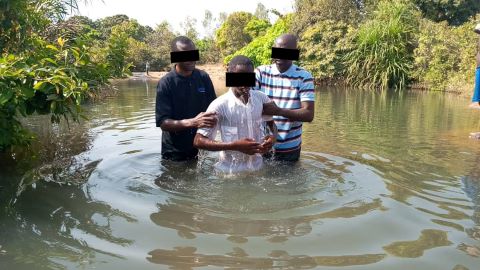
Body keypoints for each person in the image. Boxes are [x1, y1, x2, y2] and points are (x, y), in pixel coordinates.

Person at [193, 55, 277, 173]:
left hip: (258, 170)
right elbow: (198, 141)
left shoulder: (261, 99)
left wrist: (272, 138)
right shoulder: (219, 105)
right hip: (229, 174)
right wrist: (234, 145)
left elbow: (272, 125)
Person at [156, 36, 217, 161]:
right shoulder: (166, 83)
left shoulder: (203, 77)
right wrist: (194, 122)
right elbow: (163, 123)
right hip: (174, 151)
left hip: (199, 145)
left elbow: (214, 108)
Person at [256, 34, 315, 162]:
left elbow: (309, 114)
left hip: (290, 149)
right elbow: (245, 100)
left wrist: (278, 111)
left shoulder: (304, 77)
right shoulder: (260, 73)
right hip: (262, 146)